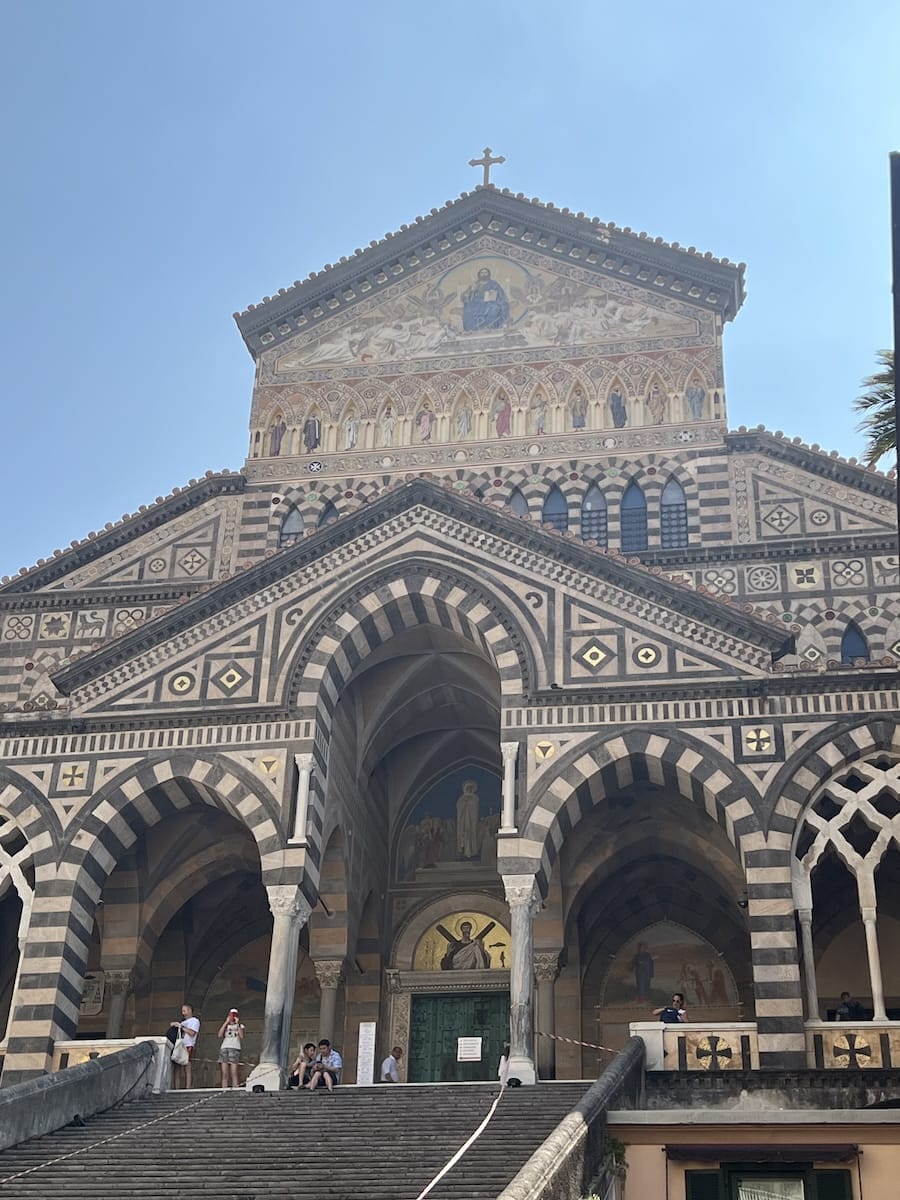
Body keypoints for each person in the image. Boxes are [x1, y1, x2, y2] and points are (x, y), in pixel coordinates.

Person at [170, 1003, 200, 1089]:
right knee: (177, 1067)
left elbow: (192, 1033)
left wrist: (181, 1027)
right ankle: (176, 1088)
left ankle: (188, 1087)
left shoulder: (194, 1021)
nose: (183, 1013)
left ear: (189, 1010)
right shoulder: (182, 1022)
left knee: (187, 1065)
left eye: (184, 1011)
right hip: (179, 1045)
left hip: (188, 1045)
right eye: (182, 1011)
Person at [217, 1008, 245, 1089]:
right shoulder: (226, 1025)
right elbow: (219, 1035)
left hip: (234, 1048)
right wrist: (226, 1022)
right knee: (224, 1073)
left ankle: (235, 1088)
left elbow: (241, 1036)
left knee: (234, 1072)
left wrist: (237, 1024)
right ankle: (224, 1089)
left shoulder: (240, 1025)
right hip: (224, 1047)